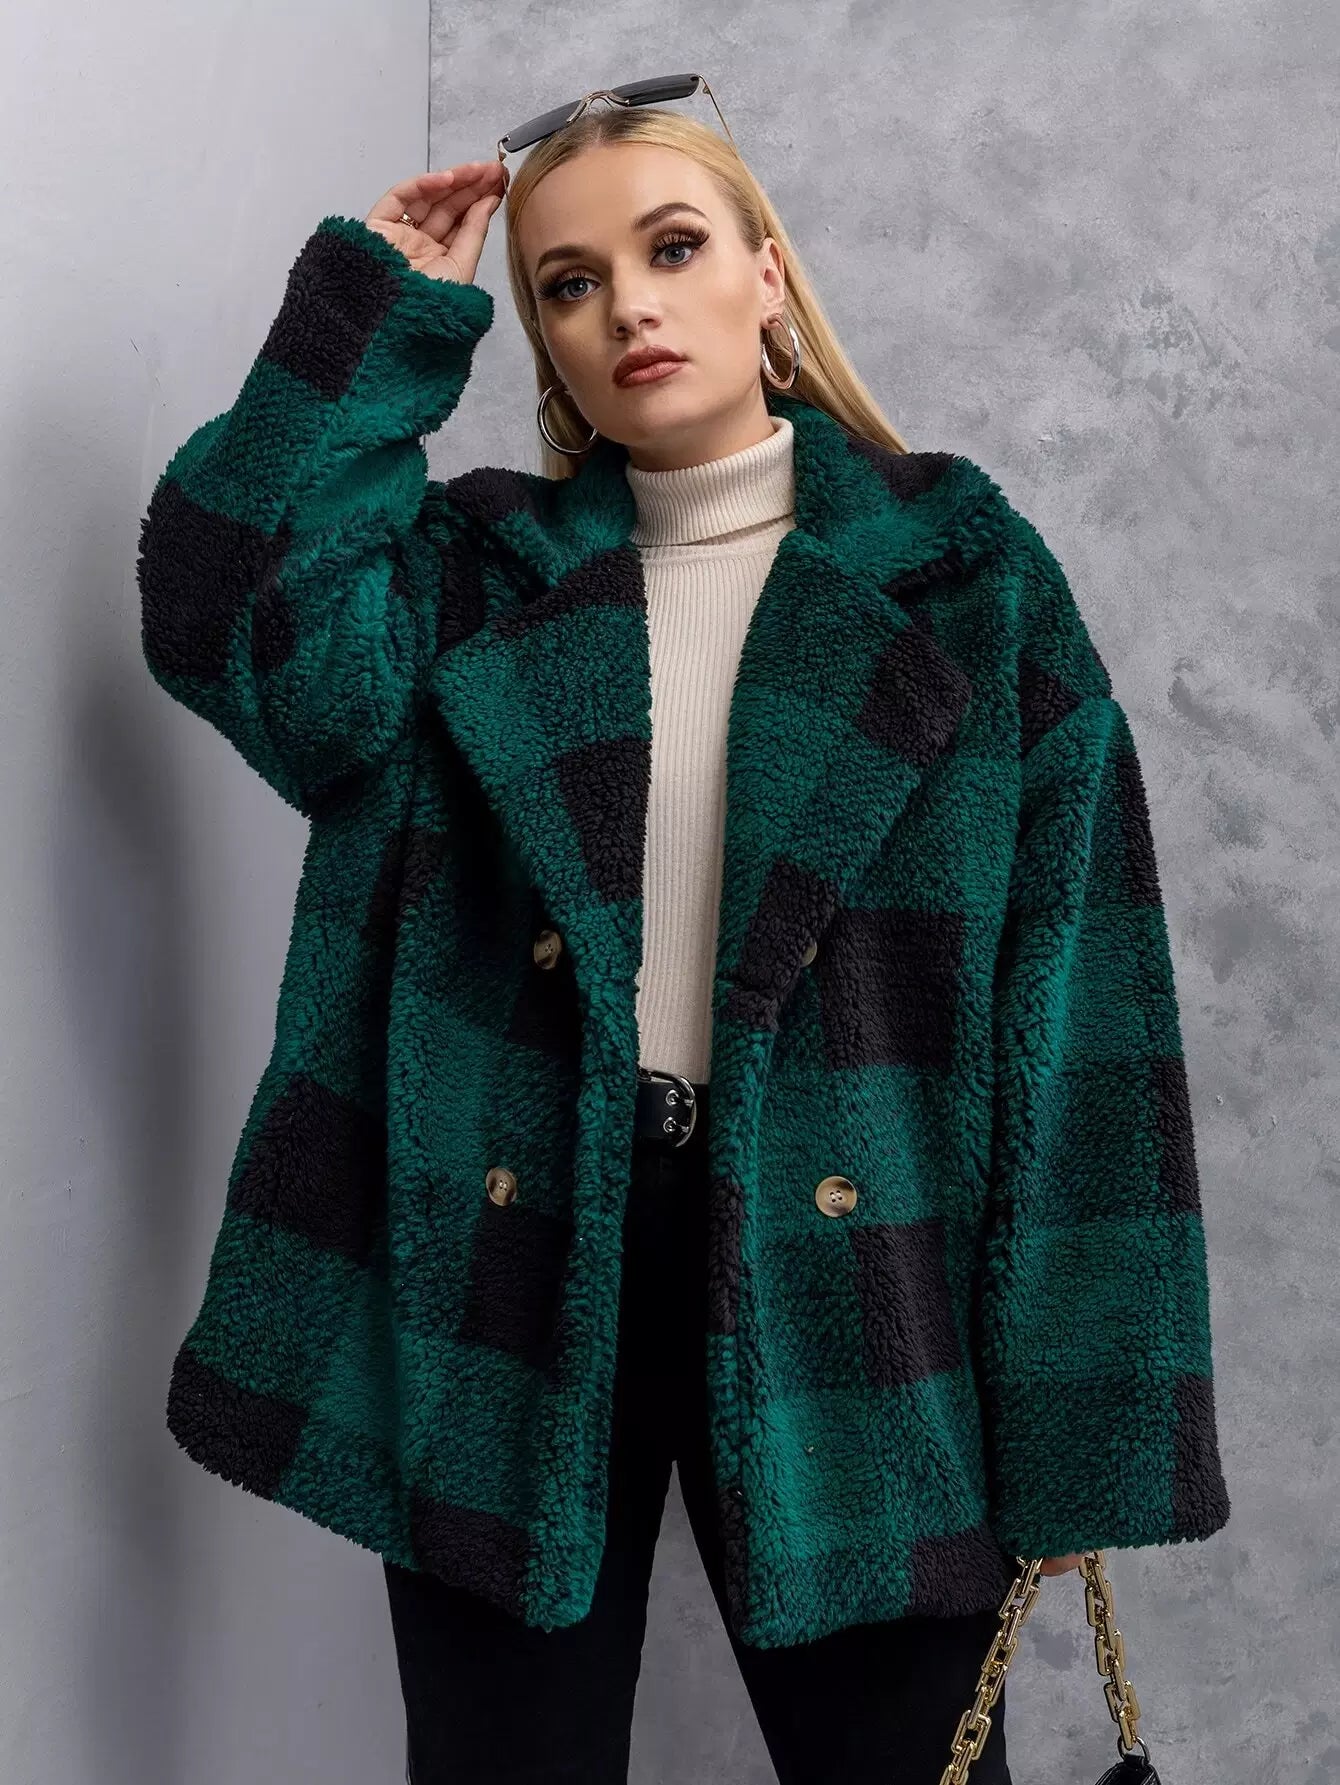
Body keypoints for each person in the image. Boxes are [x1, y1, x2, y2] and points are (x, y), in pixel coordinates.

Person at [137, 87, 1230, 1785]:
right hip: (511, 1259)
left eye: (671, 248)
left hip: (857, 1281)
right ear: (542, 341)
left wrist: (1079, 1426)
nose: (628, 308)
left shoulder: (967, 583)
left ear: (765, 274)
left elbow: (1084, 1013)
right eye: (568, 284)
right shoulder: (471, 579)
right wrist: (376, 317)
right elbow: (229, 623)